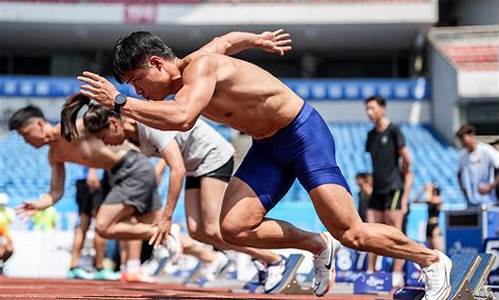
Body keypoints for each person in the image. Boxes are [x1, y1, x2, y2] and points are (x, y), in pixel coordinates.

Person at [78, 30, 451, 298]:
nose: (137, 91)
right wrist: (257, 39)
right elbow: (226, 40)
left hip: (303, 135)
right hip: (267, 147)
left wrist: (121, 103)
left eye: (136, 81)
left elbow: (183, 118)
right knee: (233, 228)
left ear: (157, 64)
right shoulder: (200, 60)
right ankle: (316, 245)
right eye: (129, 87)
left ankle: (432, 260)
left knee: (351, 233)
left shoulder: (200, 69)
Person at [71, 101, 285, 287]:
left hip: (212, 156)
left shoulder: (149, 125)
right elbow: (171, 155)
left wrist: (166, 216)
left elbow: (178, 169)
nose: (105, 143)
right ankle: (260, 259)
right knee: (197, 232)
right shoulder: (130, 136)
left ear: (114, 124)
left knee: (214, 227)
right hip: (195, 164)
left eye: (103, 136)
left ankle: (273, 259)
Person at [10, 105, 161, 283]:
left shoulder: (72, 128)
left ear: (40, 124)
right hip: (116, 175)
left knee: (104, 226)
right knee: (186, 229)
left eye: (26, 133)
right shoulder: (55, 155)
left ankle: (156, 238)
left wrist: (124, 113)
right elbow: (56, 192)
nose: (26, 140)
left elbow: (102, 117)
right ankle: (196, 252)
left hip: (132, 167)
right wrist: (38, 204)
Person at [364, 95, 413, 288]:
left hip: (394, 189)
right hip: (377, 190)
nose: (369, 112)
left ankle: (396, 273)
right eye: (367, 108)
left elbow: (407, 160)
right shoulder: (370, 135)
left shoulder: (394, 131)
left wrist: (402, 185)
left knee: (395, 232)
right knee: (370, 231)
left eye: (373, 108)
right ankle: (370, 271)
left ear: (383, 109)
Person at [68, 168, 119, 280]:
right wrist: (93, 171)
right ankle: (99, 267)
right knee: (100, 223)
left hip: (81, 179)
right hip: (96, 180)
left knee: (83, 225)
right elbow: (93, 151)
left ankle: (73, 266)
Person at [456, 124, 499, 207]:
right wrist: (464, 190)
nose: (463, 142)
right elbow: (459, 175)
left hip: (489, 201)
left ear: (472, 135)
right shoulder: (462, 155)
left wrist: (491, 186)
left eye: (464, 139)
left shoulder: (486, 150)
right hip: (472, 202)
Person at [414, 184, 443, 251]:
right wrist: (422, 191)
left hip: (434, 226)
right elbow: (415, 200)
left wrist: (428, 190)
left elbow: (429, 199)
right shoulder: (430, 199)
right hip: (428, 226)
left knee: (438, 250)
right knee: (430, 250)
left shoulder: (438, 199)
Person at [0, 194, 15, 275]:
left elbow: (11, 221)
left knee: (9, 249)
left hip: (4, 234)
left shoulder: (8, 211)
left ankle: (1, 265)